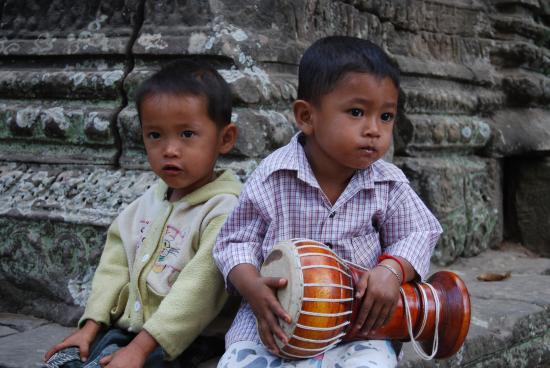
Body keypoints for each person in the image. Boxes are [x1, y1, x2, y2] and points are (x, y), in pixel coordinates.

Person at [212, 36, 443, 367]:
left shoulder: (386, 183)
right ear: (307, 116)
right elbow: (235, 241)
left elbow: (419, 232)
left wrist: (390, 271)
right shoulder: (275, 176)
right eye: (356, 112)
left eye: (386, 116)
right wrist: (253, 288)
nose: (374, 130)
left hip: (357, 327)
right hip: (276, 320)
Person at [44, 60, 241, 368]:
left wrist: (141, 349)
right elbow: (113, 268)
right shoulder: (146, 204)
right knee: (62, 361)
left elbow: (198, 290)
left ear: (225, 139)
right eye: (155, 135)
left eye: (187, 134)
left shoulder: (225, 209)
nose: (169, 149)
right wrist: (90, 327)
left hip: (185, 341)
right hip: (127, 332)